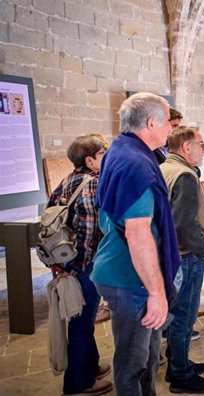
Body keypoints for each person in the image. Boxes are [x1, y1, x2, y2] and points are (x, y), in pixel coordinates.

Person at [91, 92, 178, 395]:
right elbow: (138, 234)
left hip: (126, 273)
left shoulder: (122, 149)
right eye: (167, 121)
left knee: (148, 357)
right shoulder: (135, 164)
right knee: (133, 362)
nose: (171, 128)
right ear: (151, 122)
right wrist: (156, 292)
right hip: (129, 278)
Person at [49, 135, 112, 396]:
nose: (108, 156)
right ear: (90, 160)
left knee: (83, 317)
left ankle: (91, 365)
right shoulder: (93, 184)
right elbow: (90, 232)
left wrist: (61, 262)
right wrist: (83, 265)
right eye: (103, 153)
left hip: (69, 261)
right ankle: (77, 383)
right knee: (81, 323)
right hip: (83, 264)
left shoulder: (67, 180)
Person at [160, 127, 204, 393]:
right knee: (185, 314)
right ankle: (180, 375)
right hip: (187, 255)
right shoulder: (183, 175)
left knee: (180, 314)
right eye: (201, 144)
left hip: (176, 253)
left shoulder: (166, 168)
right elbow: (182, 223)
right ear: (186, 147)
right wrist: (202, 247)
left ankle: (178, 362)